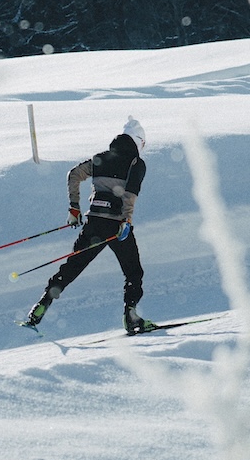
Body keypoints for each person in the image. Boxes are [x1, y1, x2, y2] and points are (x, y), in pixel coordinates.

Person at [24, 117, 157, 334]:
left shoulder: (100, 158)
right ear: (139, 142)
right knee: (133, 272)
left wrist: (74, 208)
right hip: (116, 225)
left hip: (94, 222)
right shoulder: (136, 163)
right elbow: (130, 194)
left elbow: (74, 175)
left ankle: (41, 305)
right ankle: (131, 318)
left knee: (71, 267)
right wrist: (127, 221)